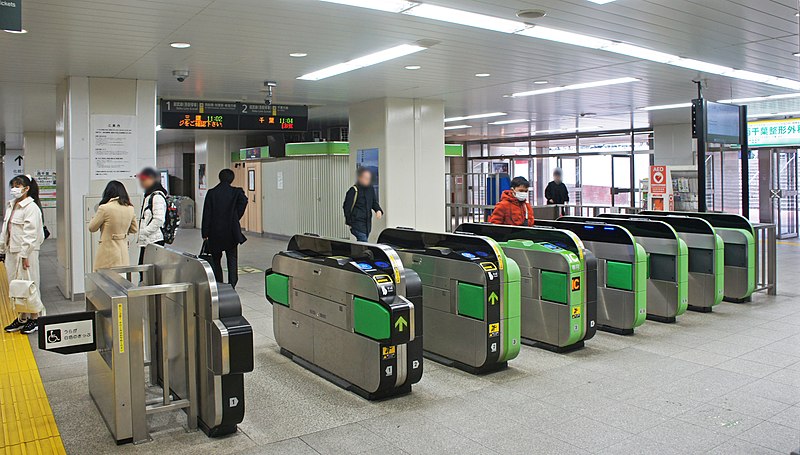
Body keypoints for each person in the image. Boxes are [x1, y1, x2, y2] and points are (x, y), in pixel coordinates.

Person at [2, 175, 45, 334]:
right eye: (13, 185)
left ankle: (35, 318)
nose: (15, 188)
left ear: (27, 188)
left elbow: (31, 233)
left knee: (29, 285)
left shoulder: (31, 207)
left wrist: (25, 254)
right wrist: (2, 249)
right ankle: (22, 317)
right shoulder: (12, 205)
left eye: (18, 185)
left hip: (26, 253)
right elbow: (5, 230)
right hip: (12, 251)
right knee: (16, 286)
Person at [202, 169, 248, 288]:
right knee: (232, 259)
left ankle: (219, 282)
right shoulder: (235, 192)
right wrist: (236, 216)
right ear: (231, 179)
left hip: (215, 232)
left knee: (216, 259)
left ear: (220, 178)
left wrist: (205, 232)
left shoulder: (212, 193)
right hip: (231, 232)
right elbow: (244, 201)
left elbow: (207, 214)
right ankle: (232, 284)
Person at [88, 181, 138, 271]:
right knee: (120, 278)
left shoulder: (104, 208)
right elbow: (134, 229)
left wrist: (94, 218)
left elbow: (92, 228)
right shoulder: (130, 208)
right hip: (123, 252)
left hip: (108, 252)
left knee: (105, 279)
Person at [137, 167, 167, 265]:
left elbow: (159, 219)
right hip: (148, 240)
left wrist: (145, 232)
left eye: (143, 180)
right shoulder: (149, 195)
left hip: (154, 241)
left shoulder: (157, 197)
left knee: (149, 271)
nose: (141, 182)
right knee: (143, 268)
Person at [343, 168, 383, 242]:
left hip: (367, 222)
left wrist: (378, 210)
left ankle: (359, 253)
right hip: (357, 222)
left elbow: (374, 202)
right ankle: (363, 253)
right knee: (364, 242)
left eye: (369, 178)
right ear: (360, 178)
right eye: (365, 178)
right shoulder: (353, 190)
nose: (368, 180)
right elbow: (346, 207)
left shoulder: (370, 189)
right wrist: (349, 222)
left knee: (362, 243)